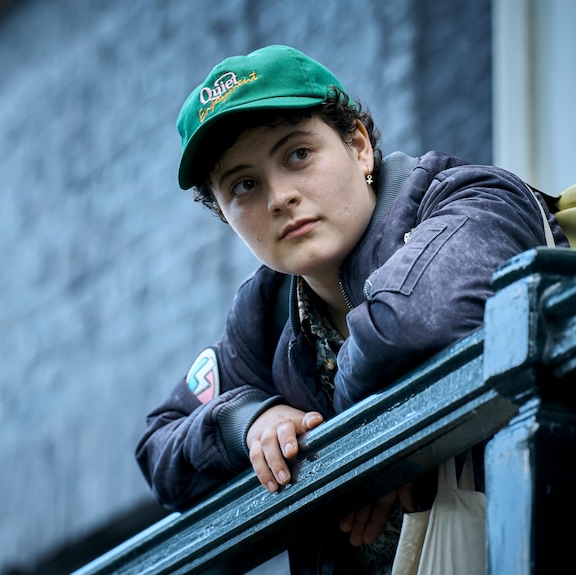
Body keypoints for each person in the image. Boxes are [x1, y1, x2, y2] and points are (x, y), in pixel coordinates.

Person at [134, 45, 569, 574]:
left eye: (297, 155)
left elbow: (415, 320)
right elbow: (160, 445)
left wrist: (356, 452)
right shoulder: (263, 316)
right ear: (226, 216)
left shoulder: (472, 196)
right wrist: (245, 422)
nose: (279, 197)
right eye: (244, 185)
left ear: (359, 147)